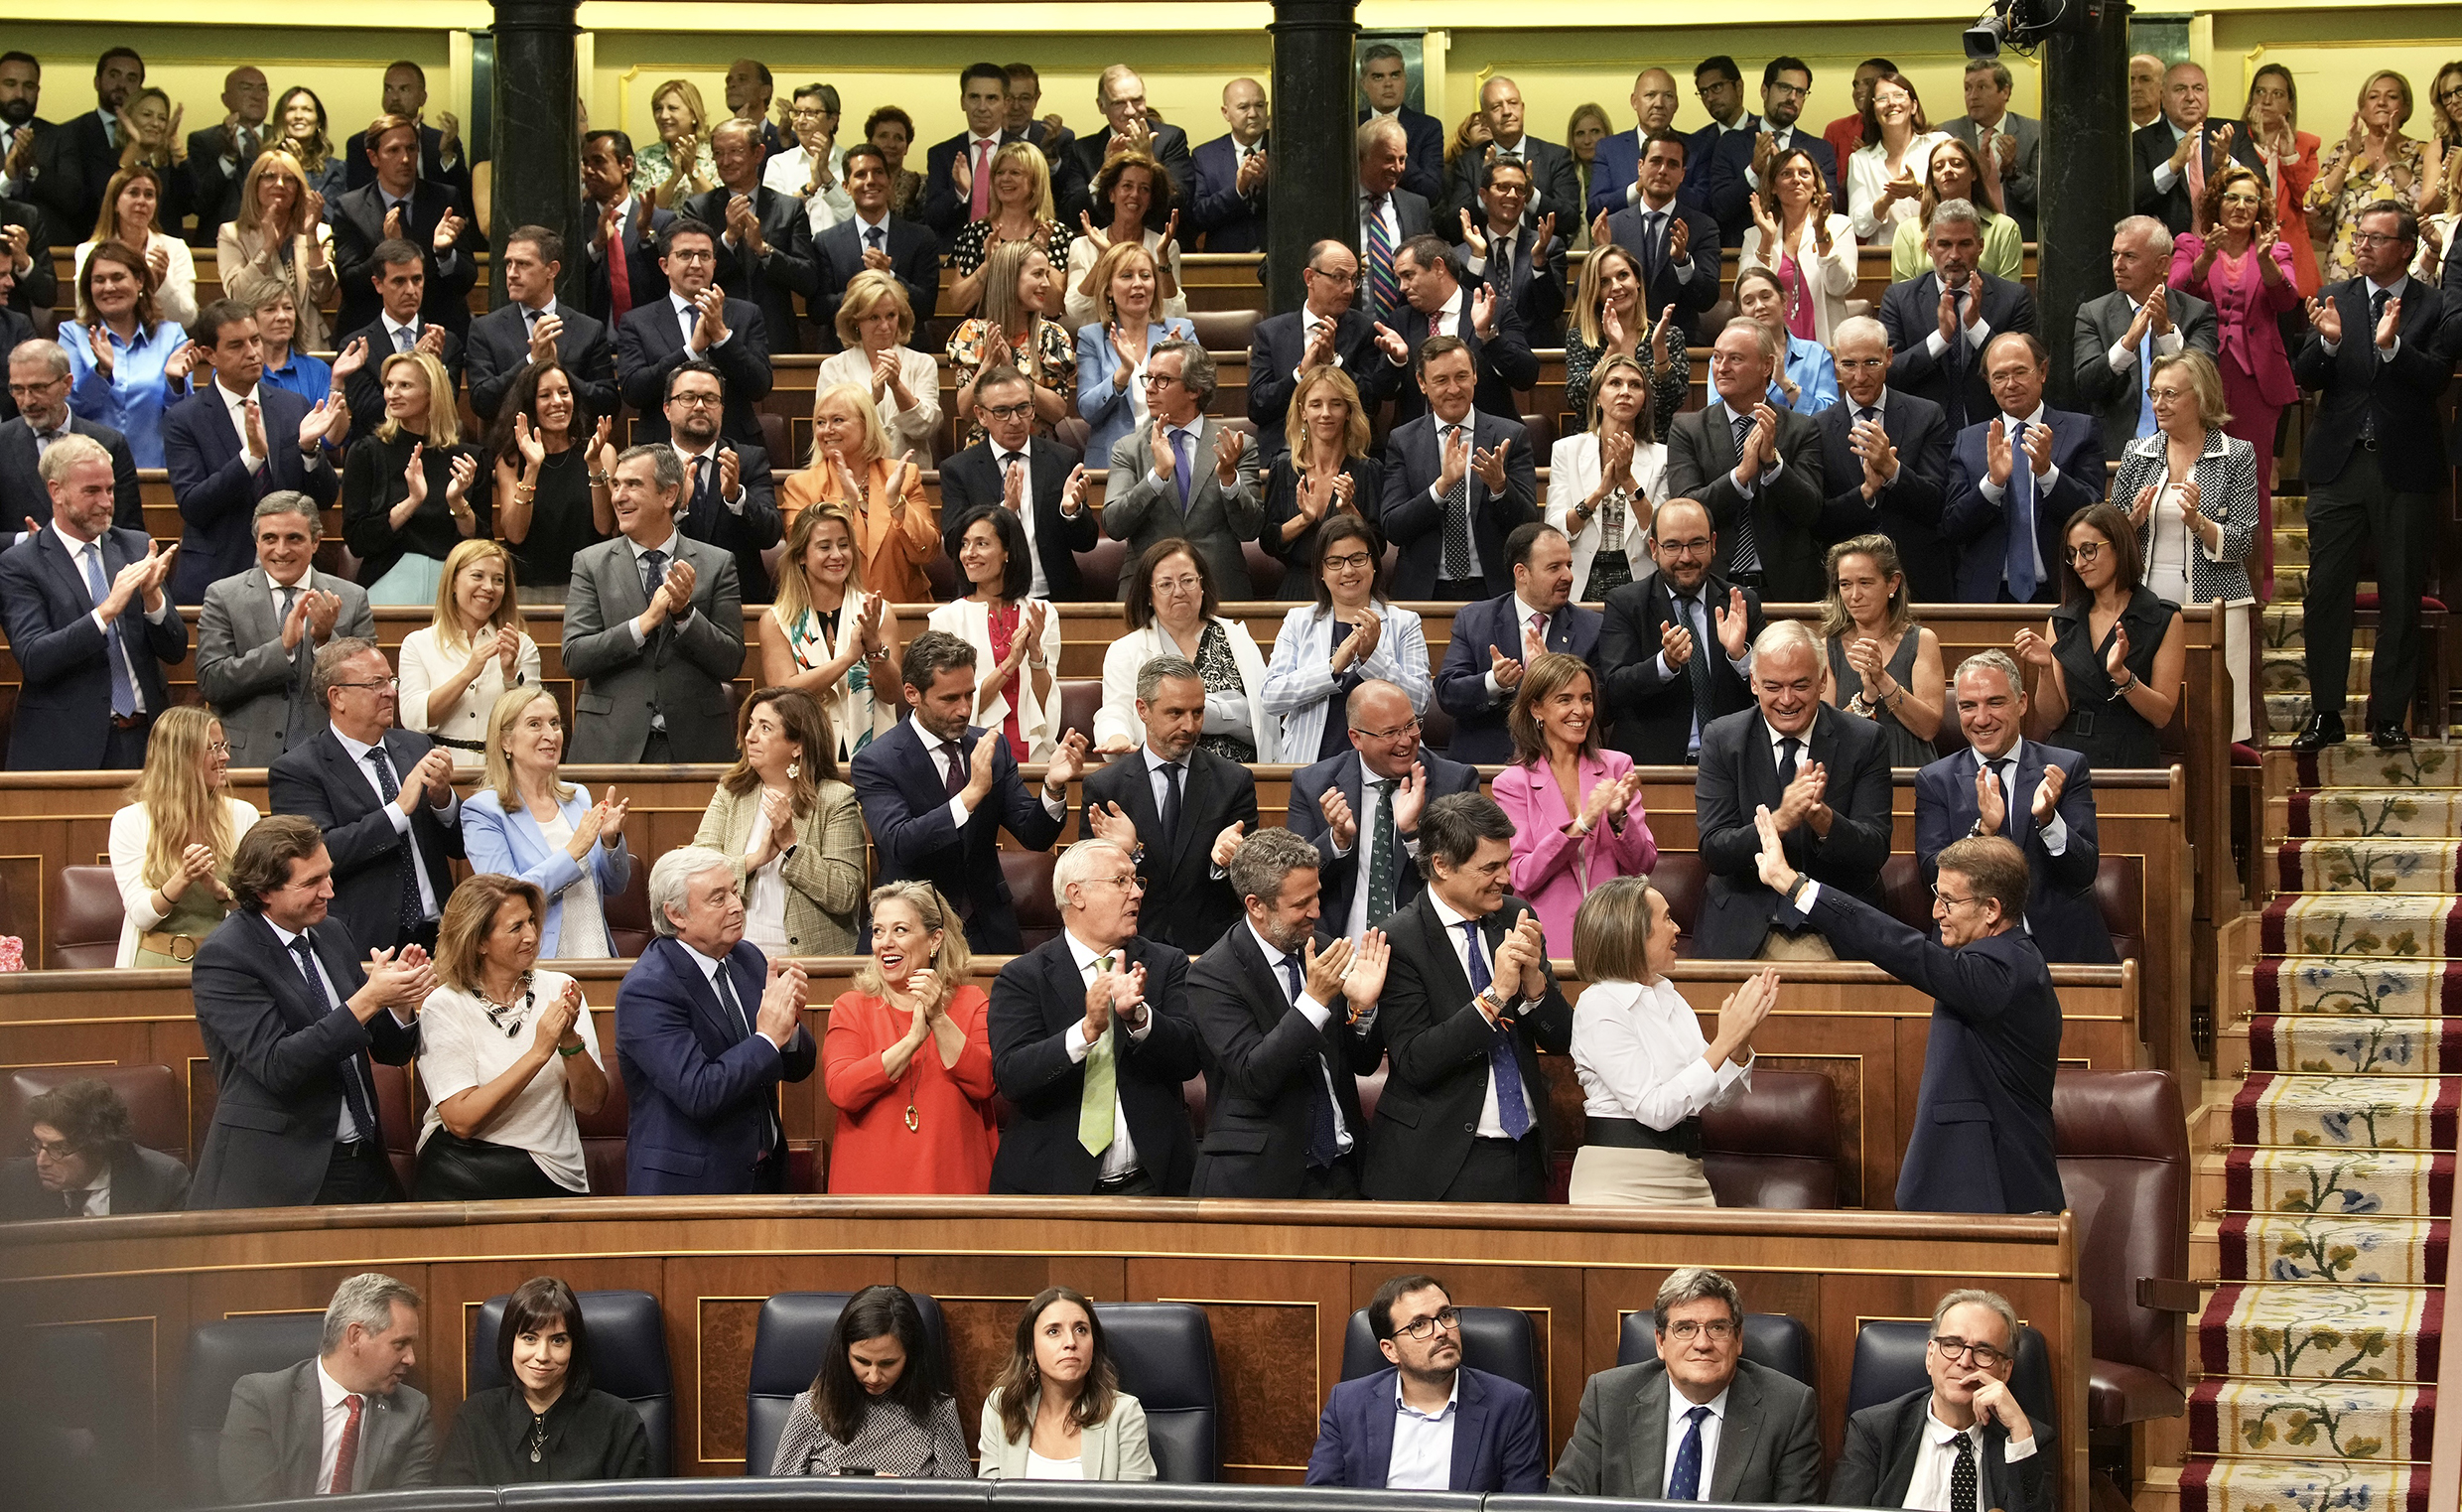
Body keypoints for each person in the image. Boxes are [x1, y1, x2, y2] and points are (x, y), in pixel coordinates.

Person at [1752, 808, 2063, 1212]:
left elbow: (1904, 949)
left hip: (1994, 1191)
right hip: (1973, 1189)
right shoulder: (2002, 960)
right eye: (1937, 896)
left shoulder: (2002, 969)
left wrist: (1796, 886)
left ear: (1991, 909)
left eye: (1948, 901)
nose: (1936, 912)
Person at [187, 815, 434, 1208]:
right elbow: (277, 1065)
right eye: (311, 882)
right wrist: (369, 999)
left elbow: (389, 1052)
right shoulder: (226, 955)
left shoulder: (331, 933)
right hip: (285, 1173)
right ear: (264, 891)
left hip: (365, 1159)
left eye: (328, 875)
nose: (329, 891)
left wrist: (399, 1002)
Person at [1363, 791, 1573, 1202]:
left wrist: (1534, 984)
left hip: (1524, 1154)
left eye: (1506, 863)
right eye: (1489, 868)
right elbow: (1415, 1061)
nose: (1505, 878)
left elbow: (1561, 1038)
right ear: (1441, 865)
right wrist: (1496, 995)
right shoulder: (1400, 939)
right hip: (1440, 1162)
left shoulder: (1515, 917)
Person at [2291, 202, 2448, 749]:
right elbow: (2305, 374)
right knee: (2325, 592)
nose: (2362, 246)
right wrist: (2330, 342)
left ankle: (2388, 717)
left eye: (2377, 238)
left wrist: (2394, 347)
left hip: (2405, 468)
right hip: (2339, 464)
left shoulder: (2435, 304)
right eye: (2359, 236)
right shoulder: (2336, 295)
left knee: (2400, 594)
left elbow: (2436, 377)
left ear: (2406, 248)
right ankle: (2326, 713)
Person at [987, 837, 1205, 1196]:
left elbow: (1189, 1058)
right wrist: (1086, 1031)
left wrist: (1139, 1018)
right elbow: (1012, 1076)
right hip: (1052, 1190)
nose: (1137, 892)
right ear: (1076, 894)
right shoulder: (1022, 977)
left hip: (1153, 1185)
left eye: (1136, 880)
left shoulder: (1166, 963)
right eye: (1121, 881)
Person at [1184, 827, 1389, 1198]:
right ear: (1256, 905)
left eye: (1317, 895)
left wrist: (1364, 1009)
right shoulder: (1213, 975)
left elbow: (1364, 1064)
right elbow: (1255, 1075)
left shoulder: (1324, 950)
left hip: (1344, 1172)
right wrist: (1314, 1001)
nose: (1316, 911)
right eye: (1300, 903)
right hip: (1260, 1181)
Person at [852, 630, 1083, 953]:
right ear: (913, 693)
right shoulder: (877, 761)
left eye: (969, 695)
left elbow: (1035, 837)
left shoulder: (992, 747)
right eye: (950, 699)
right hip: (910, 931)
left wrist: (1053, 786)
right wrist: (969, 796)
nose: (964, 710)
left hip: (987, 930)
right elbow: (900, 843)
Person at [616, 845, 815, 1194]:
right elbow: (699, 1092)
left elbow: (798, 1067)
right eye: (718, 898)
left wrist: (791, 1024)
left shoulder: (748, 958)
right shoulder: (648, 989)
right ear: (676, 914)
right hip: (693, 1188)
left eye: (735, 891)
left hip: (766, 1176)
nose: (736, 905)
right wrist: (769, 1037)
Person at [1694, 620, 1892, 959]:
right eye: (1773, 686)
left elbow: (1875, 851)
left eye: (1800, 685)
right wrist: (1780, 821)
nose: (1787, 700)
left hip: (1835, 925)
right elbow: (1715, 851)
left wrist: (1824, 820)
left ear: (1822, 680)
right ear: (1753, 682)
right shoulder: (1723, 739)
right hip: (1745, 925)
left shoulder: (1864, 740)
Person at [1566, 880, 1764, 1204]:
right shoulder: (1599, 1006)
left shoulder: (1669, 996)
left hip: (1688, 1175)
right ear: (1633, 933)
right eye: (1667, 918)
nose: (1677, 929)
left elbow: (1719, 1100)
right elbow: (1655, 1110)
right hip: (1620, 1184)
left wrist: (1739, 1042)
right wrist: (1723, 1042)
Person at [411, 874, 609, 1199]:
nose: (532, 935)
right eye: (516, 927)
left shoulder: (560, 989)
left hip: (556, 1175)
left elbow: (591, 1104)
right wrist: (538, 1052)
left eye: (531, 921)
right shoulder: (445, 1005)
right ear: (479, 941)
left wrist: (568, 1039)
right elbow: (461, 1121)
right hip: (464, 1174)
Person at [1550, 1267, 1823, 1498]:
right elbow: (1564, 1501)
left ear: (1738, 1339)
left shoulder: (1788, 1409)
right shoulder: (1608, 1398)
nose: (1702, 1343)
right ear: (1660, 1342)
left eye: (1717, 1328)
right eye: (1685, 1328)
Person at [1919, 650, 2118, 965]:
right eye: (1968, 706)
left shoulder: (2065, 768)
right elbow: (1933, 874)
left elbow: (2084, 871)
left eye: (1995, 703)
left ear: (2022, 703)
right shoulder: (1935, 780)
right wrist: (1983, 831)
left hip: (2060, 947)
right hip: (1970, 952)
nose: (1981, 719)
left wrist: (2049, 820)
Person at [0, 433, 184, 769]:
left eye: (110, 489)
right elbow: (34, 658)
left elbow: (175, 650)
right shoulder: (21, 564)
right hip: (67, 746)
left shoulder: (135, 546)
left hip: (148, 742)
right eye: (92, 491)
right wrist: (106, 611)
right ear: (56, 491)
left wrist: (152, 598)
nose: (106, 502)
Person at [268, 637, 463, 953]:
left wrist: (444, 801)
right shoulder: (298, 770)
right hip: (365, 942)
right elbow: (317, 853)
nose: (390, 692)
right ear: (338, 697)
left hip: (441, 936)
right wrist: (398, 810)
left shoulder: (417, 746)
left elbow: (459, 846)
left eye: (391, 681)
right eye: (376, 684)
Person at [563, 444, 747, 763]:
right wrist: (642, 624)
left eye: (633, 485)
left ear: (669, 495)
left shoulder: (716, 563)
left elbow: (731, 662)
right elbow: (575, 657)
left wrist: (685, 615)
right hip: (610, 746)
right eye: (616, 484)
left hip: (696, 747)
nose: (618, 496)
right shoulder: (590, 563)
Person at [2119, 349, 2260, 743]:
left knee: (2215, 714)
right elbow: (2110, 539)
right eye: (2154, 393)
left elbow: (2243, 540)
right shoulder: (2137, 453)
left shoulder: (2236, 455)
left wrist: (2199, 522)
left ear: (2201, 397)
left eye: (2170, 394)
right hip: (2148, 604)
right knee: (2152, 709)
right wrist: (2133, 520)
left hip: (2218, 603)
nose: (2159, 404)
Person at [162, 299, 345, 603]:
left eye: (255, 340)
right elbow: (193, 506)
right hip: (218, 576)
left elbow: (324, 498)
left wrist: (309, 449)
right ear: (209, 354)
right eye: (236, 345)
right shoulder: (184, 419)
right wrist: (251, 458)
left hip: (290, 574)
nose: (252, 352)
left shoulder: (292, 406)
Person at [2173, 164, 2302, 596]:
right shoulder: (2191, 244)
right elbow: (2176, 291)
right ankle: (2198, 577)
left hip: (2256, 382)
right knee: (2198, 475)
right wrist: (2206, 258)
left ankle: (2257, 584)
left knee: (2254, 482)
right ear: (2217, 203)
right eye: (2233, 197)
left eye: (2250, 199)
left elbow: (2287, 300)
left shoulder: (2275, 249)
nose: (2241, 206)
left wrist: (2265, 262)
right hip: (2203, 378)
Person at [1080, 653, 1261, 956]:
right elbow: (1090, 886)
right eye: (1175, 713)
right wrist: (1130, 852)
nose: (1189, 726)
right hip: (1132, 949)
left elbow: (1254, 887)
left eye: (1198, 712)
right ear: (1143, 710)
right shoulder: (1106, 788)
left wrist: (1227, 862)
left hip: (1211, 953)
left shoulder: (1233, 782)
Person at [823, 881, 998, 1194]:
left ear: (935, 940)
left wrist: (938, 1019)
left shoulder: (971, 1002)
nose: (885, 943)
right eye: (878, 932)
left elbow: (985, 1082)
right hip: (870, 1192)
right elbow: (842, 1090)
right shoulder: (850, 1007)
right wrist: (911, 1041)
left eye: (900, 930)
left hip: (954, 1187)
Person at [1304, 1273, 1546, 1491]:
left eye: (1445, 1315)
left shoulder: (1510, 1406)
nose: (1441, 1331)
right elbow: (1320, 1500)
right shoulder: (1346, 1404)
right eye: (1419, 1325)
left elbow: (1522, 1505)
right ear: (1390, 1350)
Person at [1831, 1289, 2055, 1512]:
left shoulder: (2028, 1441)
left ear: (2005, 1371)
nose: (1965, 1361)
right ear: (1930, 1356)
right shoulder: (1875, 1431)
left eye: (1983, 1351)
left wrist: (2020, 1433)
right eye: (1952, 1344)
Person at [218, 1273, 435, 1498]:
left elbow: (409, 1504)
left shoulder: (412, 1410)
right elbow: (257, 1504)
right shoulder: (263, 1399)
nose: (410, 1359)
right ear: (356, 1337)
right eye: (400, 1344)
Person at [1494, 651, 1659, 943]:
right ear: (1536, 709)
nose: (1580, 711)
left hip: (1616, 934)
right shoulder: (1512, 784)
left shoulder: (1617, 767)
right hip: (1549, 938)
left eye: (1586, 699)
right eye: (1565, 699)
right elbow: (1521, 875)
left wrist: (1618, 818)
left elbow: (1643, 864)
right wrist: (1582, 823)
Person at [196, 493, 371, 767]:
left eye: (293, 538)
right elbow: (212, 682)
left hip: (329, 759)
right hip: (248, 758)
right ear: (257, 542)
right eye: (270, 538)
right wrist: (282, 649)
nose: (281, 550)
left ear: (316, 541)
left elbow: (368, 687)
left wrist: (326, 641)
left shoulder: (351, 598)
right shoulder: (223, 596)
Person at [460, 687, 632, 962]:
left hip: (596, 954)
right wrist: (573, 852)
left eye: (554, 723)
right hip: (537, 959)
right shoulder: (483, 811)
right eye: (534, 725)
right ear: (506, 742)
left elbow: (615, 886)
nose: (550, 735)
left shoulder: (577, 797)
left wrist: (609, 842)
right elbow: (505, 898)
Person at [1667, 317, 1828, 602]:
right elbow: (1685, 512)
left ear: (1766, 366)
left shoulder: (1801, 428)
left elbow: (1810, 511)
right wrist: (1740, 476)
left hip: (1787, 590)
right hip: (1714, 587)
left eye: (1735, 359)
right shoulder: (1688, 429)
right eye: (1717, 357)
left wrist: (1773, 465)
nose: (1722, 367)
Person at [2017, 501, 2187, 768]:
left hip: (2130, 755)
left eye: (2088, 551)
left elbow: (2162, 715)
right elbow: (2052, 719)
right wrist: (2045, 668)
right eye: (2072, 554)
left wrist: (2123, 676)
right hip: (2069, 757)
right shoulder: (2063, 620)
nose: (2079, 564)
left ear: (2119, 546)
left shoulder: (2162, 618)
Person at [697, 687, 867, 956]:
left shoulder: (835, 800)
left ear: (798, 746)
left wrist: (791, 845)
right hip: (734, 954)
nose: (750, 736)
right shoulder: (731, 794)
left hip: (811, 960)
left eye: (765, 728)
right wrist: (753, 860)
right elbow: (696, 871)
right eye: (751, 725)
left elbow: (844, 895)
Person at [1597, 496, 1765, 765]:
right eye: (1673, 546)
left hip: (1731, 763)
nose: (1686, 558)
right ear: (1654, 549)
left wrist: (1739, 656)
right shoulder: (1626, 603)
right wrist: (1665, 663)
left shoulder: (1741, 602)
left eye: (1697, 544)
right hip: (1653, 767)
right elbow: (1615, 689)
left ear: (1713, 544)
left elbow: (1768, 691)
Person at [1943, 333, 2107, 605]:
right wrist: (1992, 483)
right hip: (1987, 597)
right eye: (1999, 377)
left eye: (2020, 372)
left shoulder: (2080, 431)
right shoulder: (1968, 441)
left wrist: (2047, 473)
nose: (2011, 384)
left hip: (2063, 591)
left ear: (2042, 372)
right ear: (1989, 384)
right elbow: (1953, 527)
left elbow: (2095, 514)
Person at [439, 1277, 652, 1484]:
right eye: (529, 1338)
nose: (542, 1355)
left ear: (574, 1347)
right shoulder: (474, 1419)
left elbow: (637, 1502)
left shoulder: (618, 1422)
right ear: (509, 1342)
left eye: (558, 1340)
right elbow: (451, 1501)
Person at [1380, 337, 1539, 602]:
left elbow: (1529, 525)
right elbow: (1393, 527)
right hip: (1424, 592)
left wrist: (1500, 487)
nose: (1453, 389)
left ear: (1475, 376)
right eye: (1441, 380)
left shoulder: (1510, 436)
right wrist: (1441, 488)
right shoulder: (1403, 441)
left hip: (1494, 591)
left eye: (1461, 376)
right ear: (1422, 383)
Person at [1101, 340, 1262, 598]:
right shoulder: (1128, 449)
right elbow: (1114, 525)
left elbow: (1250, 529)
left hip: (1219, 588)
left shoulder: (1237, 446)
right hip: (1148, 591)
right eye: (1148, 378)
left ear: (1195, 389)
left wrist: (1229, 479)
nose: (1149, 389)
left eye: (1163, 380)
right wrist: (1157, 476)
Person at [1263, 513, 1431, 760]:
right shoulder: (1298, 621)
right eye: (1335, 562)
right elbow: (1271, 697)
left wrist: (1372, 659)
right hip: (1312, 761)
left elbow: (1420, 701)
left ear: (1374, 563)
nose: (1348, 570)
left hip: (1387, 764)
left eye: (1358, 558)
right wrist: (1331, 668)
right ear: (1321, 571)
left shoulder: (1404, 623)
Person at [1096, 537, 1279, 760]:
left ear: (1202, 586)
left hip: (1242, 774)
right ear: (1148, 596)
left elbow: (1265, 716)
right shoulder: (1125, 650)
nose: (1179, 591)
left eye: (1188, 580)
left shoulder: (1237, 638)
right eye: (1165, 584)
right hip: (1166, 775)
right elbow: (1115, 711)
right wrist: (1117, 736)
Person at [1435, 521, 1600, 763]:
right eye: (1554, 567)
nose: (1568, 576)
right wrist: (1495, 682)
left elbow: (1603, 705)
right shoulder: (1475, 620)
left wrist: (1551, 675)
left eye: (1569, 565)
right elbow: (1448, 693)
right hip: (1487, 763)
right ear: (1521, 573)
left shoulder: (1591, 627)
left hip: (1562, 762)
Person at [1816, 316, 1956, 602]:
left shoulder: (1926, 415)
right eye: (1849, 364)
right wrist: (1866, 491)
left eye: (1871, 363)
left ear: (1889, 357)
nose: (1860, 376)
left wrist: (1892, 470)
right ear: (1836, 363)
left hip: (1917, 580)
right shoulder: (1817, 427)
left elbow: (1937, 505)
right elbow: (1818, 520)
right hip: (1848, 590)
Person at [108, 703, 258, 966]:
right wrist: (184, 877)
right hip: (156, 962)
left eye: (224, 746)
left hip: (227, 961)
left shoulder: (244, 815)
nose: (225, 756)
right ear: (181, 757)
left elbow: (257, 910)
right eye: (214, 748)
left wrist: (218, 890)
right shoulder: (130, 821)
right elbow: (141, 916)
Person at [770, 1284, 971, 1476]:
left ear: (911, 1357)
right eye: (862, 1361)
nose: (874, 1377)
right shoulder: (810, 1409)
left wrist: (905, 1492)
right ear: (844, 1353)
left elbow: (960, 1496)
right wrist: (829, 1490)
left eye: (888, 1363)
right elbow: (776, 1495)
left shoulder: (939, 1411)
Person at [1878, 200, 2039, 433]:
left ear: (1980, 246)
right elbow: (1888, 373)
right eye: (1944, 244)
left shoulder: (2014, 298)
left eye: (1964, 244)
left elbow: (2025, 372)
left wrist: (1976, 326)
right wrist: (1941, 339)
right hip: (1922, 435)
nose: (1954, 255)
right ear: (1929, 247)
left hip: (1992, 432)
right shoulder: (1900, 299)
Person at [343, 349, 487, 605]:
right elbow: (357, 540)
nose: (392, 393)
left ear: (432, 393)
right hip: (386, 581)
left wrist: (457, 503)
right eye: (389, 385)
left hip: (453, 585)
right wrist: (411, 502)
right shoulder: (367, 452)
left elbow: (482, 545)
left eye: (405, 385)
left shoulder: (468, 458)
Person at [614, 218, 772, 447]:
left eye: (704, 256)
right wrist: (690, 351)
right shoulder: (637, 321)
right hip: (660, 447)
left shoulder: (746, 314)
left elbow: (760, 386)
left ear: (714, 264)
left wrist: (722, 338)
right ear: (664, 265)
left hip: (733, 444)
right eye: (685, 255)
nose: (696, 264)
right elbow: (633, 391)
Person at [763, 502, 899, 764]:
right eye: (824, 547)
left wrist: (873, 645)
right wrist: (848, 658)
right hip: (807, 760)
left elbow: (893, 694)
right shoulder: (777, 620)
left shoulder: (878, 612)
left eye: (844, 545)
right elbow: (784, 695)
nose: (837, 555)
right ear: (801, 556)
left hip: (876, 761)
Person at [2073, 216, 2220, 458]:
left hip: (2183, 452)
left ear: (2161, 263)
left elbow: (2205, 383)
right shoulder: (2093, 314)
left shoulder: (2197, 313)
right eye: (2114, 255)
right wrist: (2126, 344)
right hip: (2116, 454)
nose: (2118, 265)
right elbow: (2086, 386)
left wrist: (2167, 334)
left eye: (2130, 257)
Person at [978, 1287, 1156, 1480]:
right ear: (1030, 1349)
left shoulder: (1123, 1413)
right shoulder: (1002, 1407)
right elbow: (989, 1494)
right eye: (1053, 1331)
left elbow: (1133, 1497)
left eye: (1081, 1330)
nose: (1071, 1342)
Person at [778, 381, 932, 604]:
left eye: (837, 420)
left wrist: (896, 504)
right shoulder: (801, 486)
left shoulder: (904, 476)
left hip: (903, 609)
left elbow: (926, 552)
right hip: (833, 611)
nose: (827, 430)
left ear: (866, 424)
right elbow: (800, 553)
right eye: (820, 422)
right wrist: (846, 506)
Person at [331, 115, 480, 340]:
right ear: (373, 157)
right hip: (371, 336)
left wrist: (444, 253)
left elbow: (466, 279)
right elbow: (350, 284)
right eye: (393, 150)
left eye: (411, 149)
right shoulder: (350, 207)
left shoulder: (445, 199)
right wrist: (387, 248)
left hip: (437, 331)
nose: (405, 159)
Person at [932, 506, 1062, 760]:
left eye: (981, 543)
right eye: (964, 544)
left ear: (1007, 552)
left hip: (1034, 751)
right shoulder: (946, 619)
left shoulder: (1042, 613)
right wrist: (1011, 662)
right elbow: (954, 704)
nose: (969, 553)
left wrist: (1035, 656)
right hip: (971, 751)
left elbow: (1046, 702)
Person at [682, 118, 818, 355]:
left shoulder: (788, 208)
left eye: (735, 151)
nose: (725, 161)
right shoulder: (698, 208)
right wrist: (728, 239)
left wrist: (763, 250)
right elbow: (690, 277)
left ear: (758, 153)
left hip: (775, 335)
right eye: (718, 153)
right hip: (715, 335)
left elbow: (808, 279)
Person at [396, 540, 538, 767]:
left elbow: (533, 722)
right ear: (453, 582)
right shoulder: (418, 644)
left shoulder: (522, 644)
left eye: (498, 580)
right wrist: (468, 673)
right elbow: (414, 720)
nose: (489, 587)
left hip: (503, 770)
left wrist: (510, 675)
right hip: (439, 768)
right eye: (477, 576)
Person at [1374, 235, 1539, 429]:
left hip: (1488, 439)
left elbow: (1526, 377)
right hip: (1423, 441)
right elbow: (1382, 391)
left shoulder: (1495, 310)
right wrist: (1396, 362)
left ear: (1438, 267)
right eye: (1399, 279)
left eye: (1408, 275)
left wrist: (1488, 335)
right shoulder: (1400, 320)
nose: (1402, 287)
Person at [488, 358, 615, 604]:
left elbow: (605, 526)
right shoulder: (511, 459)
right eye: (545, 395)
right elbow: (514, 533)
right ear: (529, 404)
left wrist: (594, 464)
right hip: (530, 588)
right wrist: (532, 468)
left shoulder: (601, 451)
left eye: (564, 392)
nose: (557, 402)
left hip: (591, 585)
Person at [62, 238, 194, 468]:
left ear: (139, 280)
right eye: (99, 280)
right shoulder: (72, 334)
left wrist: (175, 384)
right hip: (87, 471)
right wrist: (101, 373)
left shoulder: (171, 336)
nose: (108, 287)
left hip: (154, 471)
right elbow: (67, 409)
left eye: (118, 277)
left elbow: (184, 418)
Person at [1248, 242, 1387, 461]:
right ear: (1310, 277)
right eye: (1339, 278)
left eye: (1353, 279)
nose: (1349, 289)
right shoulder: (1270, 333)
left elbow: (1369, 403)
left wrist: (1334, 361)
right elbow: (1257, 407)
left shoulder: (1364, 330)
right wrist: (1300, 374)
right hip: (1284, 454)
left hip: (1347, 456)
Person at [660, 357, 782, 604]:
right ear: (667, 409)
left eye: (710, 399)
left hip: (739, 600)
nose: (700, 406)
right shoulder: (650, 464)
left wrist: (737, 498)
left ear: (722, 409)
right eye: (688, 397)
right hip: (665, 599)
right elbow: (636, 537)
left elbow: (770, 534)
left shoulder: (748, 459)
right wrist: (677, 508)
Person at [467, 226, 616, 425]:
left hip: (572, 441)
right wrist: (532, 360)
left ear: (552, 270)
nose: (511, 274)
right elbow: (481, 402)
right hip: (510, 442)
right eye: (509, 263)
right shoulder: (485, 329)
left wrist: (558, 370)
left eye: (523, 264)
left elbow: (608, 405)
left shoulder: (588, 330)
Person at [1259, 366, 1384, 600]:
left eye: (1336, 404)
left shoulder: (1368, 470)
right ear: (1303, 411)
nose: (1326, 413)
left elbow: (1378, 547)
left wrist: (1349, 510)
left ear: (1348, 411)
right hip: (1298, 590)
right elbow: (1268, 541)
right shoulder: (1284, 467)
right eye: (1316, 404)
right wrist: (1304, 519)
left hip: (1352, 590)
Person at [1819, 535, 1945, 767]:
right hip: (1852, 770)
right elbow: (1827, 734)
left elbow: (1928, 728)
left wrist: (1882, 679)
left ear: (1892, 584)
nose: (1854, 595)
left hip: (1910, 768)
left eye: (1865, 583)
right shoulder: (1828, 647)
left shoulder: (1921, 641)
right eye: (1845, 584)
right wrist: (1866, 700)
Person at [2, 338, 140, 538]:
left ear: (67, 384)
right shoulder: (2, 443)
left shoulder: (110, 443)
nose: (27, 401)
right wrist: (26, 542)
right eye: (17, 389)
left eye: (38, 388)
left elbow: (130, 532)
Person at [333, 239, 467, 441]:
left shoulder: (446, 342)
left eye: (417, 279)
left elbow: (447, 409)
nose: (411, 290)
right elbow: (369, 413)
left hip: (431, 447)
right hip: (375, 451)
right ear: (378, 284)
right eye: (399, 281)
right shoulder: (355, 346)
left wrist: (434, 369)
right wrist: (416, 364)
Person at [1074, 239, 1196, 461]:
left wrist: (1174, 365)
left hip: (1173, 455)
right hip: (1112, 461)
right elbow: (1088, 411)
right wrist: (1122, 373)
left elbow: (1201, 394)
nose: (1138, 283)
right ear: (1108, 289)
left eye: (1145, 275)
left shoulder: (1182, 331)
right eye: (1127, 276)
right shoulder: (1092, 338)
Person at [0, 1077, 190, 1219]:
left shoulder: (162, 1182)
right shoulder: (14, 1183)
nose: (41, 1161)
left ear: (97, 1147)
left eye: (58, 1147)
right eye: (38, 1144)